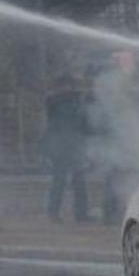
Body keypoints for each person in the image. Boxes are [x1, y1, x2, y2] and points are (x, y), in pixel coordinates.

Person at [44, 75, 89, 223]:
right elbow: (61, 118)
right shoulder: (55, 101)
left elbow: (82, 122)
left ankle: (81, 214)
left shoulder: (73, 100)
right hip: (61, 146)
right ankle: (53, 213)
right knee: (60, 181)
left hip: (73, 144)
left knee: (79, 181)